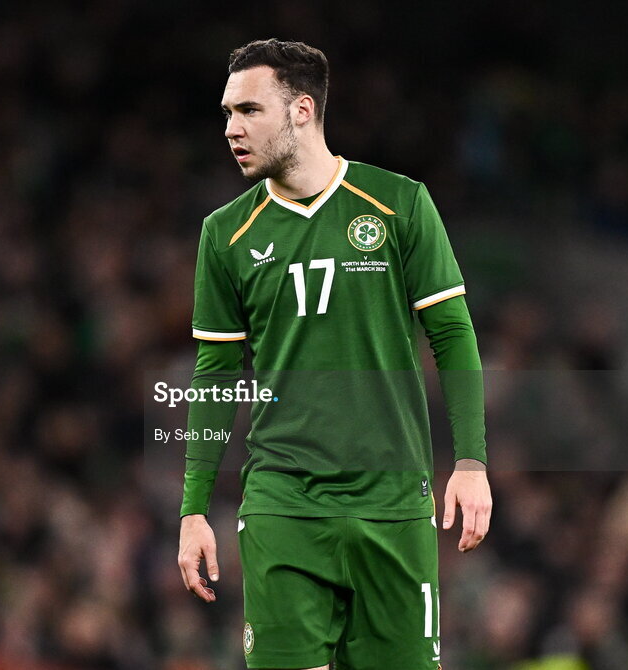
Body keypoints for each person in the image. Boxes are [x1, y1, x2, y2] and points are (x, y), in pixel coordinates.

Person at [177, 39, 492, 670]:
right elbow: (215, 374)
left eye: (248, 110)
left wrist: (471, 461)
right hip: (283, 502)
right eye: (226, 113)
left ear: (301, 110)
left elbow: (453, 334)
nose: (232, 129)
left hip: (394, 499)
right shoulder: (226, 233)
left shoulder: (400, 203)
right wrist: (192, 508)